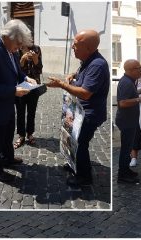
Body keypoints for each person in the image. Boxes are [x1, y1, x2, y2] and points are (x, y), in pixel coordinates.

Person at [47, 30, 110, 187]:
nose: (72, 48)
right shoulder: (89, 60)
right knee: (73, 139)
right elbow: (83, 74)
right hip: (79, 111)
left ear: (88, 48)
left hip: (89, 114)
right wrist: (73, 74)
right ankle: (73, 164)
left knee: (81, 143)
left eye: (75, 45)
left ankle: (84, 177)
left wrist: (62, 84)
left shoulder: (97, 65)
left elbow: (86, 93)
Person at [0, 19, 37, 182]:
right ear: (9, 37)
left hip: (8, 104)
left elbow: (16, 71)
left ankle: (8, 158)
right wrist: (13, 90)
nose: (20, 47)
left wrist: (26, 77)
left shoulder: (10, 49)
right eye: (19, 43)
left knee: (8, 135)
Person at [116, 59, 141, 183]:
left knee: (128, 147)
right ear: (130, 70)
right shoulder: (126, 82)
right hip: (126, 121)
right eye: (138, 68)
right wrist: (139, 100)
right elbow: (122, 103)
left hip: (130, 120)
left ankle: (126, 170)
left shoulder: (130, 81)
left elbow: (130, 95)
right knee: (126, 149)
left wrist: (140, 91)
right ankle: (122, 175)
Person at [14, 43, 43, 149]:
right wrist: (22, 59)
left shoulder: (36, 49)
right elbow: (15, 71)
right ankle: (21, 136)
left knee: (32, 112)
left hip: (34, 86)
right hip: (20, 87)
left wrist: (35, 59)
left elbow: (39, 69)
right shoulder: (15, 50)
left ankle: (29, 133)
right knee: (20, 112)